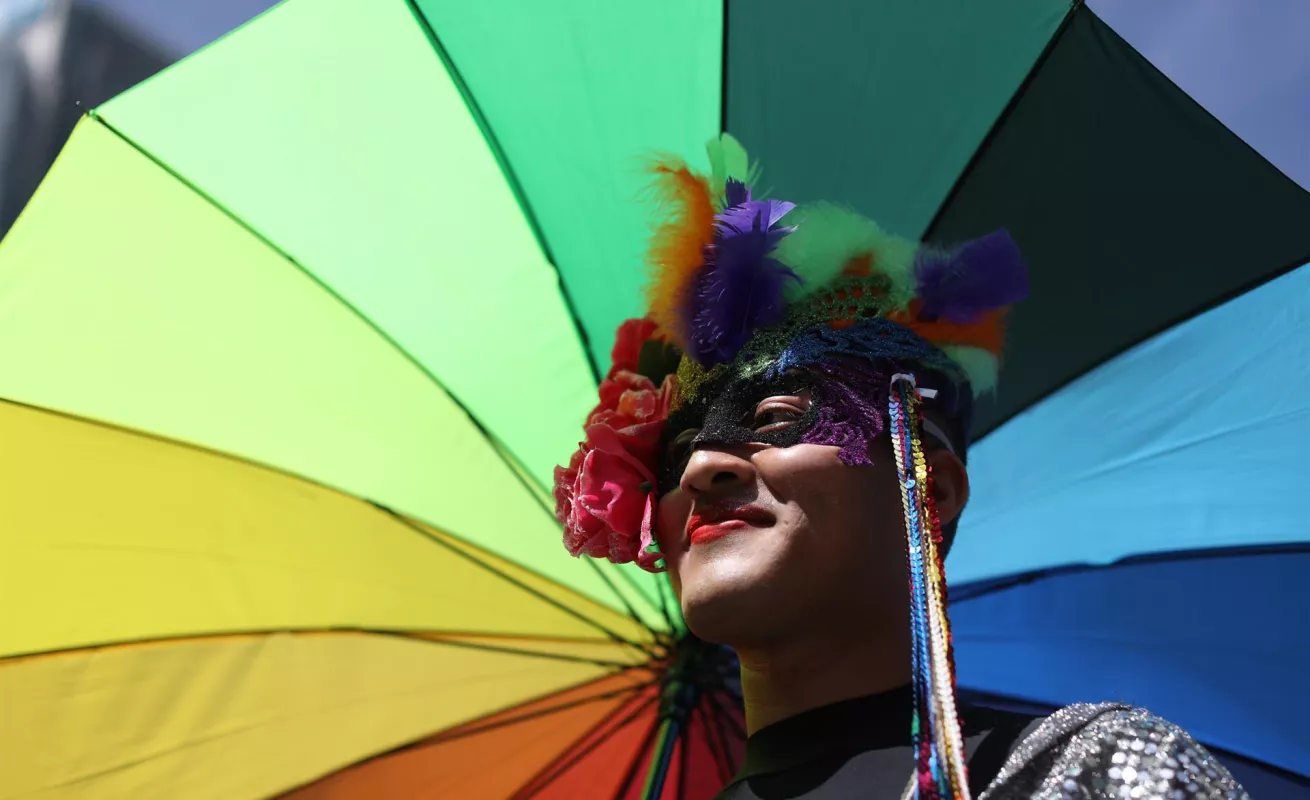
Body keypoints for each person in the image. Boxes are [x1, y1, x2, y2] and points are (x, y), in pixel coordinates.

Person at [552, 136, 1249, 799]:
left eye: (775, 420)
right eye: (674, 455)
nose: (703, 465)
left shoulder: (1091, 773)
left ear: (932, 488)